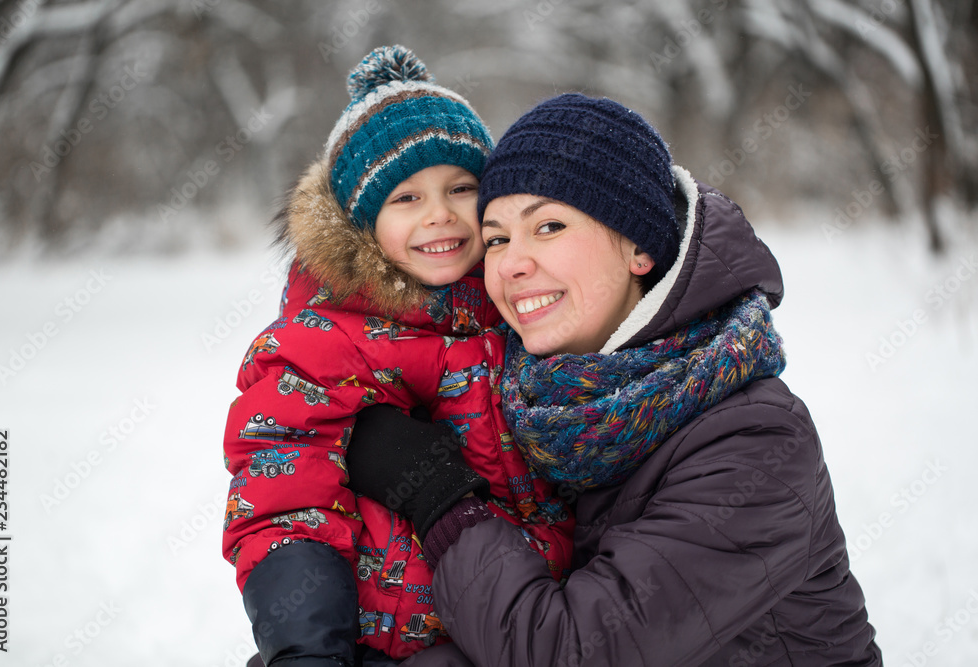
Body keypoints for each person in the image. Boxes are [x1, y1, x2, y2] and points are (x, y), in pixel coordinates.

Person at [345, 93, 884, 665]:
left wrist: (442, 500)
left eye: (548, 226)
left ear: (639, 249)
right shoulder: (535, 407)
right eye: (497, 238)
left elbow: (571, 650)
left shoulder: (755, 441)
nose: (511, 264)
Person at [222, 48, 574, 667]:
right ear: (360, 221)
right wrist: (308, 647)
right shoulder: (323, 341)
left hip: (520, 621)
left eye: (460, 188)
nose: (440, 213)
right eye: (406, 197)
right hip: (386, 642)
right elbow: (284, 498)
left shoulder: (522, 313)